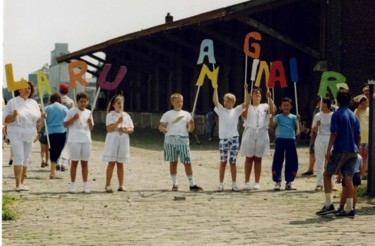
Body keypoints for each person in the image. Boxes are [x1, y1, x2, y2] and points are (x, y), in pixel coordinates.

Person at [316, 89, 360, 218]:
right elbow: (358, 135)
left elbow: (334, 133)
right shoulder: (353, 115)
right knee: (348, 178)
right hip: (353, 150)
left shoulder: (337, 114)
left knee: (327, 174)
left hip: (341, 149)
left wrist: (329, 149)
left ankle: (329, 203)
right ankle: (349, 208)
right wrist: (356, 148)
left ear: (338, 100)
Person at [3, 81, 45, 192]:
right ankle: (17, 184)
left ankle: (22, 183)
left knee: (26, 158)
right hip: (16, 132)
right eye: (25, 88)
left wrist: (42, 117)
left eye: (29, 88)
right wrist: (13, 116)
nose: (27, 90)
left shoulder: (34, 103)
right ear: (19, 90)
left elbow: (37, 118)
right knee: (19, 157)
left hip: (29, 133)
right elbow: (5, 119)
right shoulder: (12, 102)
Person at [159, 93, 203, 192]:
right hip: (170, 139)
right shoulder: (167, 114)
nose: (180, 103)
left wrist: (191, 124)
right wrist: (163, 129)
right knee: (173, 162)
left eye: (181, 101)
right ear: (172, 102)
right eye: (177, 101)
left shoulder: (186, 114)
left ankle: (192, 184)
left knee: (187, 162)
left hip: (183, 139)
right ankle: (175, 183)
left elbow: (190, 130)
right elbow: (161, 126)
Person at [213, 85, 250, 192]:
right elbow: (215, 101)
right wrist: (215, 88)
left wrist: (246, 90)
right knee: (223, 161)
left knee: (233, 162)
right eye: (224, 101)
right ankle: (221, 183)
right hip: (223, 139)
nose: (225, 103)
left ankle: (234, 184)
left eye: (228, 101)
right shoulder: (221, 110)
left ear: (233, 102)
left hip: (234, 138)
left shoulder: (237, 110)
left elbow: (247, 101)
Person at [240, 87, 275, 190]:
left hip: (261, 132)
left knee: (258, 159)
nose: (257, 94)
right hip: (250, 132)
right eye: (255, 93)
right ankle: (246, 181)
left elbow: (273, 111)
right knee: (249, 158)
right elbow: (244, 114)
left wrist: (269, 98)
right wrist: (247, 98)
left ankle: (257, 182)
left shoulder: (265, 106)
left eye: (259, 93)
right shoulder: (248, 106)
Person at [64, 92, 94, 193]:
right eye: (81, 101)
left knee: (85, 163)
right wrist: (73, 118)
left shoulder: (89, 112)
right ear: (77, 101)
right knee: (74, 163)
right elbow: (65, 125)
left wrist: (90, 123)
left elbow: (91, 128)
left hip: (86, 139)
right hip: (74, 140)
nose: (83, 103)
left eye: (85, 101)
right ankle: (73, 185)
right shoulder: (71, 111)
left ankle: (85, 185)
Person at [103, 95, 134, 193]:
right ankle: (108, 185)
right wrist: (117, 122)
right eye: (118, 103)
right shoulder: (110, 115)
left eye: (122, 103)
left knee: (120, 163)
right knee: (111, 162)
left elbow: (131, 129)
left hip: (123, 139)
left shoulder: (126, 115)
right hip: (113, 139)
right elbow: (109, 129)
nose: (120, 105)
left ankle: (121, 185)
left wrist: (125, 129)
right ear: (114, 105)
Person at [269, 97, 299, 191]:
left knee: (291, 160)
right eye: (284, 105)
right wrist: (271, 117)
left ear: (291, 106)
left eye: (287, 105)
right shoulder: (278, 116)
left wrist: (299, 120)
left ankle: (289, 182)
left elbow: (299, 129)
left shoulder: (294, 117)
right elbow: (271, 126)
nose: (286, 107)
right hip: (280, 139)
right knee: (278, 160)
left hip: (291, 139)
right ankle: (277, 181)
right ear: (281, 107)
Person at [45, 93, 69, 179]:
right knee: (58, 151)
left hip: (50, 133)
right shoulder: (64, 108)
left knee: (53, 151)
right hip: (61, 132)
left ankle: (53, 171)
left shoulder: (47, 108)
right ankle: (53, 172)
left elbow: (44, 120)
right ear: (59, 99)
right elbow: (68, 119)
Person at [311, 97, 333, 191]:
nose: (320, 104)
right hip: (320, 138)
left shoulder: (333, 115)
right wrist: (317, 125)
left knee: (330, 161)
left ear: (326, 104)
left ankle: (330, 183)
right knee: (319, 161)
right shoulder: (318, 115)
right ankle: (319, 183)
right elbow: (313, 130)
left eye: (322, 102)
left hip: (330, 138)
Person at [302, 98, 320, 176]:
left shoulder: (332, 109)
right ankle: (310, 168)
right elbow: (313, 120)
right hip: (315, 132)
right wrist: (312, 131)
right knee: (312, 150)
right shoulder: (316, 109)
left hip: (324, 134)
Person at [58, 83, 74, 171]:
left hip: (57, 125)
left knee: (58, 144)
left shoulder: (57, 100)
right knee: (66, 144)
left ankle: (58, 161)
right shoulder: (71, 101)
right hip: (67, 125)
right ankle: (64, 163)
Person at [354, 96, 368, 179]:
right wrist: (359, 109)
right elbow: (354, 118)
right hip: (359, 137)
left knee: (365, 156)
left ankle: (363, 173)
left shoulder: (370, 110)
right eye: (362, 103)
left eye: (365, 103)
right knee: (358, 156)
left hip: (367, 138)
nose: (364, 105)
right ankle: (357, 173)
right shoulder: (357, 111)